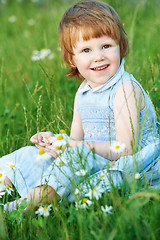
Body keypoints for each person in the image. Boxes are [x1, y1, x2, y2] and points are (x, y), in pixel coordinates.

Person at [0, 0, 159, 212]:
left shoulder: (124, 89)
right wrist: (57, 143)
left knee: (70, 165)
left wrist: (75, 147)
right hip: (91, 159)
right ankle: (5, 186)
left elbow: (126, 149)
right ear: (71, 58)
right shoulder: (83, 92)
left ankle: (14, 210)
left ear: (120, 46)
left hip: (130, 167)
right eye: (86, 50)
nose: (98, 56)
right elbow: (74, 141)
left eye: (106, 46)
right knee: (28, 155)